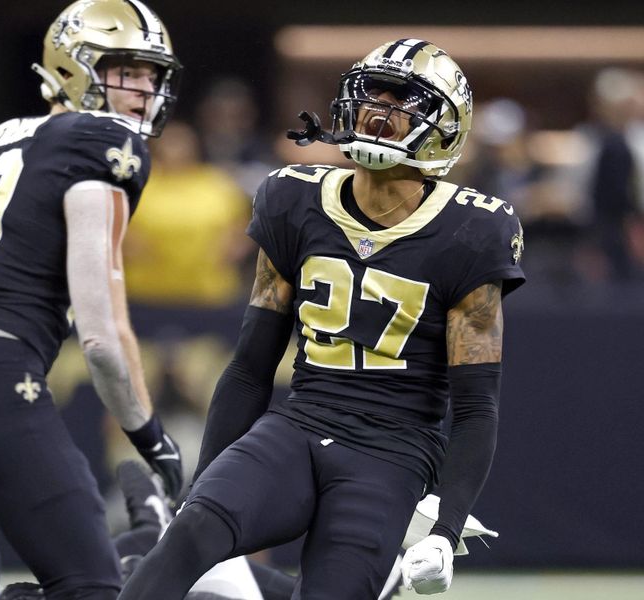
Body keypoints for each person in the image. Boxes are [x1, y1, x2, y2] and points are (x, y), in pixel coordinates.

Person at [119, 38, 525, 599]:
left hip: (392, 452)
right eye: (372, 93)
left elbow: (477, 406)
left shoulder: (473, 230)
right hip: (300, 424)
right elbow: (250, 367)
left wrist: (444, 528)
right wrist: (205, 481)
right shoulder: (294, 197)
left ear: (444, 123)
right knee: (190, 532)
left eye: (403, 97)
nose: (380, 109)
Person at [0, 1, 184, 598]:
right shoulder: (102, 143)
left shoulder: (1, 139)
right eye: (127, 69)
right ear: (75, 67)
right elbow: (102, 335)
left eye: (153, 73)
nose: (145, 88)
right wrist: (154, 438)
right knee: (92, 586)